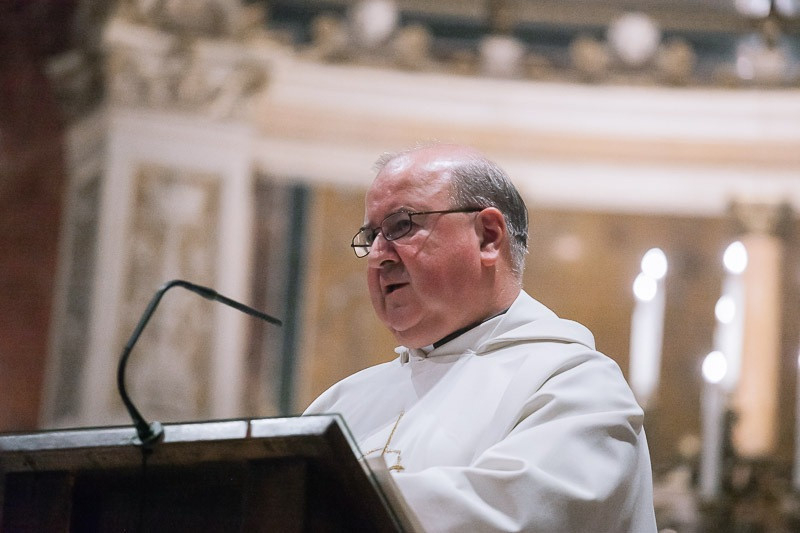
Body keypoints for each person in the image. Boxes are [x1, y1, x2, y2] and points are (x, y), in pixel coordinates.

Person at [304, 143, 657, 532]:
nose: (377, 255)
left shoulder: (576, 388)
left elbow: (512, 517)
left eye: (401, 226)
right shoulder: (341, 404)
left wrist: (323, 505)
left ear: (488, 237)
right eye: (371, 236)